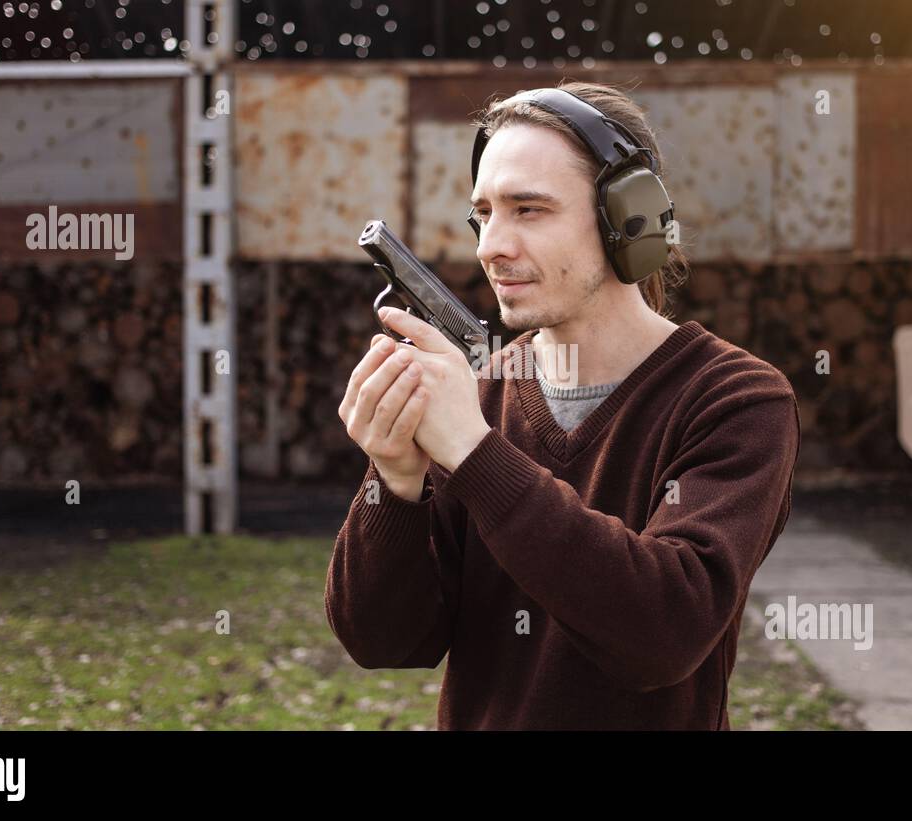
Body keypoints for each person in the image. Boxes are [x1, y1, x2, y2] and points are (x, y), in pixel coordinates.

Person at [327, 80, 801, 730]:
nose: (491, 244)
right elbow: (385, 642)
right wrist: (395, 481)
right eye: (484, 212)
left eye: (528, 209)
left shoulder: (735, 399)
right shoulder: (480, 395)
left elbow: (664, 632)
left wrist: (474, 453)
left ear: (626, 219)